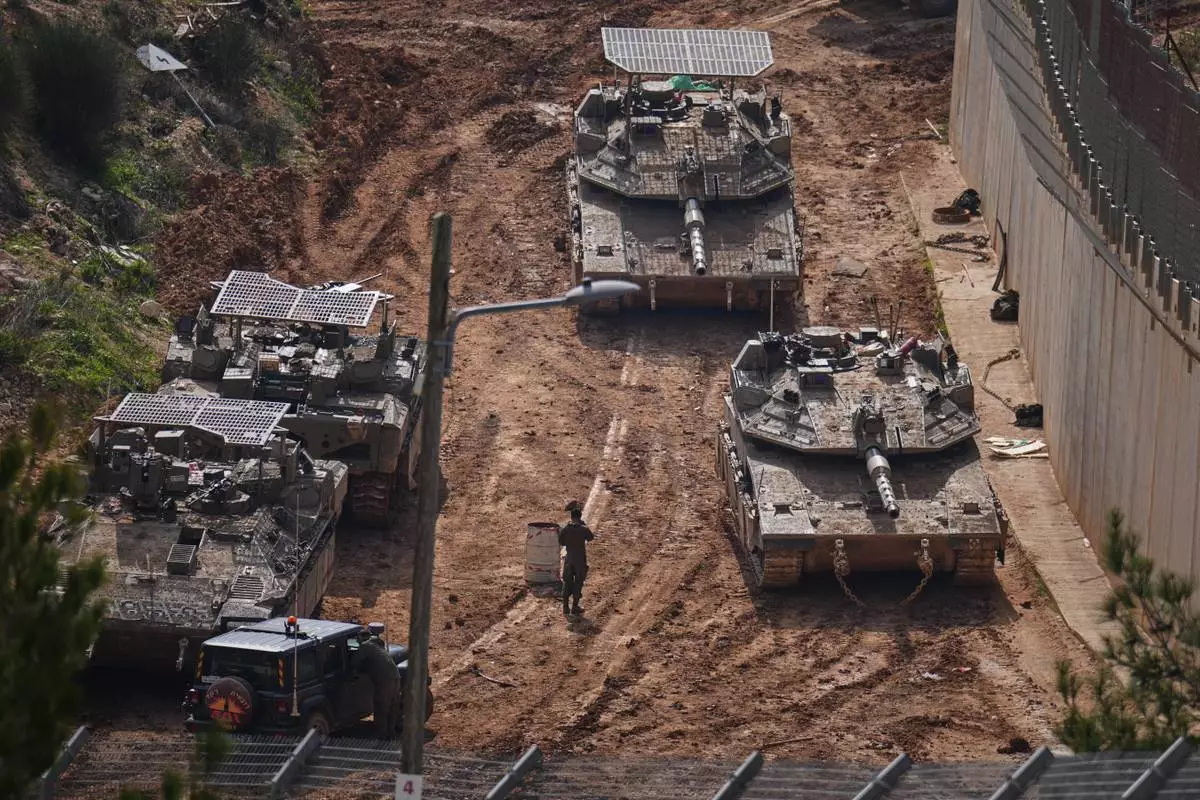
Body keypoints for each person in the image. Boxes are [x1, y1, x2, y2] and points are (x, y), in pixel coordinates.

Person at [559, 500, 595, 616]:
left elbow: (561, 542)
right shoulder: (583, 529)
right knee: (578, 583)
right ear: (580, 517)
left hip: (569, 559)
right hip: (580, 559)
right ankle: (575, 607)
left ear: (571, 517)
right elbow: (590, 538)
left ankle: (565, 607)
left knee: (567, 582)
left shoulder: (565, 529)